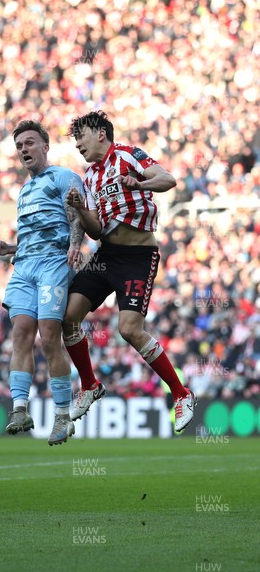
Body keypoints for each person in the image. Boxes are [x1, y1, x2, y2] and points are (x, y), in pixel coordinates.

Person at [62, 110, 196, 432]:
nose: (78, 143)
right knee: (67, 317)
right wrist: (81, 208)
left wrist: (139, 182)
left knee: (130, 330)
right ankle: (90, 385)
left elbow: (168, 179)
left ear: (101, 134)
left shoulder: (127, 155)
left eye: (81, 135)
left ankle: (181, 393)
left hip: (138, 255)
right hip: (107, 253)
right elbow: (94, 231)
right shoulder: (90, 177)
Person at [0, 120, 89, 445]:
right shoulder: (24, 190)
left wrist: (75, 244)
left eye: (29, 143)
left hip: (53, 265)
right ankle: (20, 409)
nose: (24, 150)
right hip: (24, 266)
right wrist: (11, 248)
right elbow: (35, 233)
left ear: (45, 146)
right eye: (19, 146)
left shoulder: (64, 177)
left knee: (48, 337)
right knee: (20, 333)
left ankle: (62, 417)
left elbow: (75, 217)